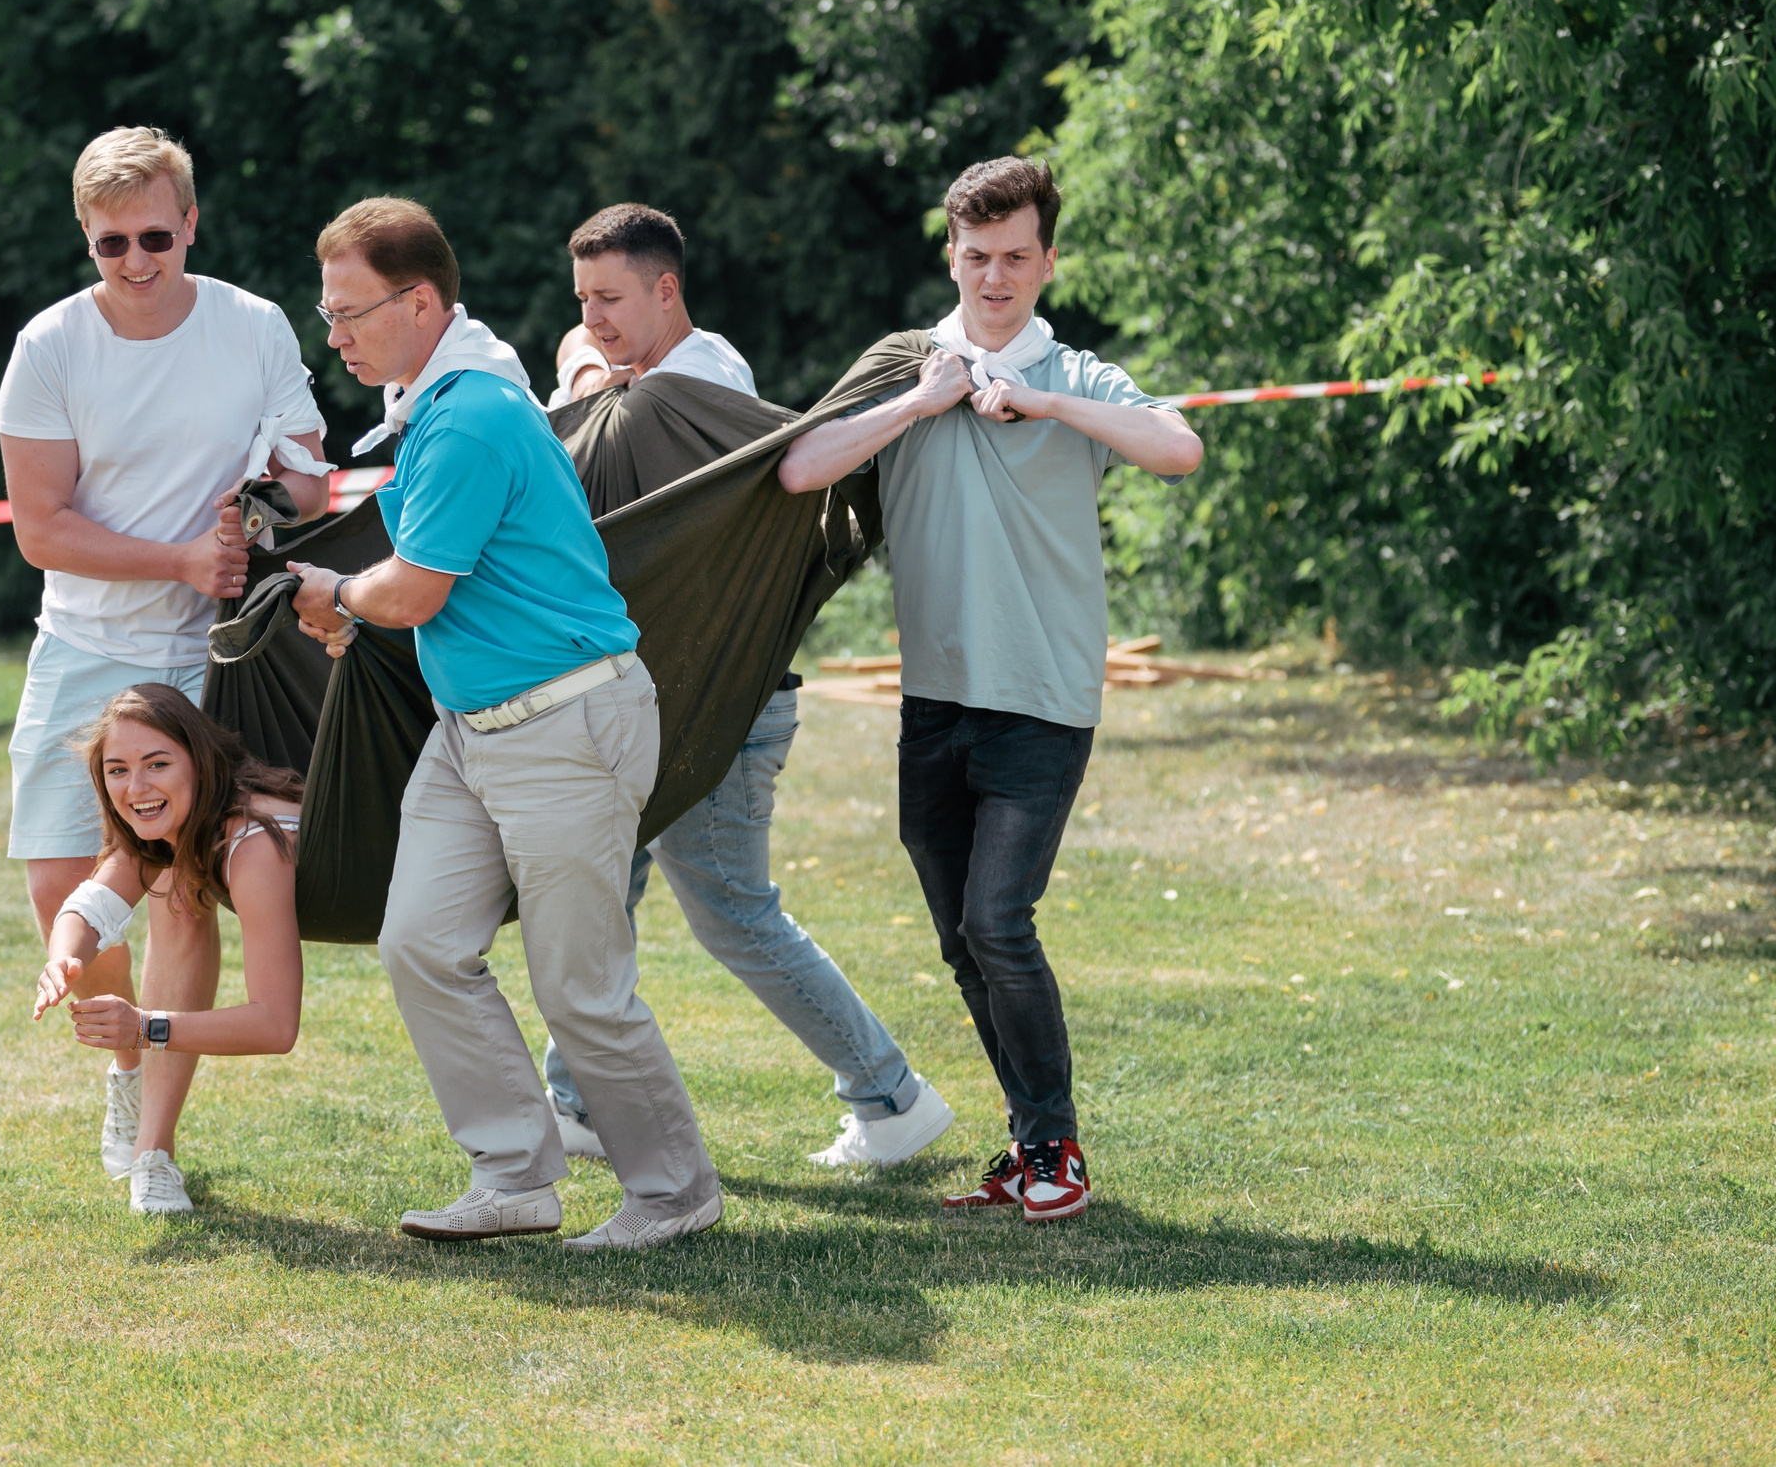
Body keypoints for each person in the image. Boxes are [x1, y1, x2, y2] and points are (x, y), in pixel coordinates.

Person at [285, 197, 723, 1251]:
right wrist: (357, 601)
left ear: (418, 302)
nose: (333, 336)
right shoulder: (442, 400)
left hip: (566, 726)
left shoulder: (470, 413)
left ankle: (676, 1192)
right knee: (421, 943)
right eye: (328, 313)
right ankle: (516, 1177)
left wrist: (336, 595)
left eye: (348, 313)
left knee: (580, 989)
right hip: (475, 730)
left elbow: (415, 589)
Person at [777, 157, 1203, 1223]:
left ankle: (1056, 1145)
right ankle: (1027, 1143)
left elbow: (1179, 448)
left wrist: (1046, 404)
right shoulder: (906, 365)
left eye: (1017, 256)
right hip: (933, 701)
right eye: (978, 256)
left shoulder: (1077, 374)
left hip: (1044, 697)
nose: (996, 276)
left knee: (999, 920)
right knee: (963, 940)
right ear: (951, 256)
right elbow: (799, 467)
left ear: (1047, 260)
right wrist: (920, 403)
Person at [542, 203, 955, 1168]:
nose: (592, 316)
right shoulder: (642, 366)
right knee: (603, 894)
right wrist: (592, 364)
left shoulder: (699, 381)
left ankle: (893, 1099)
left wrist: (595, 384)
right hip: (657, 691)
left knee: (732, 910)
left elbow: (754, 477)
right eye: (583, 296)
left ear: (667, 291)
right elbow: (572, 353)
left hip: (722, 700)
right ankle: (576, 1101)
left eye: (610, 298)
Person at [0, 125, 329, 1182]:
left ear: (190, 223)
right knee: (63, 890)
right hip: (82, 641)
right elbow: (40, 528)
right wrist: (178, 558)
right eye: (111, 243)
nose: (136, 260)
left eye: (154, 236)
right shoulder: (49, 345)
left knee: (182, 891)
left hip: (205, 658)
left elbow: (310, 480)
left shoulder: (254, 324)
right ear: (85, 237)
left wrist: (265, 503)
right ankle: (126, 1061)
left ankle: (154, 1145)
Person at [33, 684, 305, 1213]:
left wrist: (144, 1028)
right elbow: (87, 907)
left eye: (157, 764)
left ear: (199, 760)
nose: (136, 787)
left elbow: (276, 1026)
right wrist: (63, 959)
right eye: (117, 770)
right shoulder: (174, 825)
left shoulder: (253, 843)